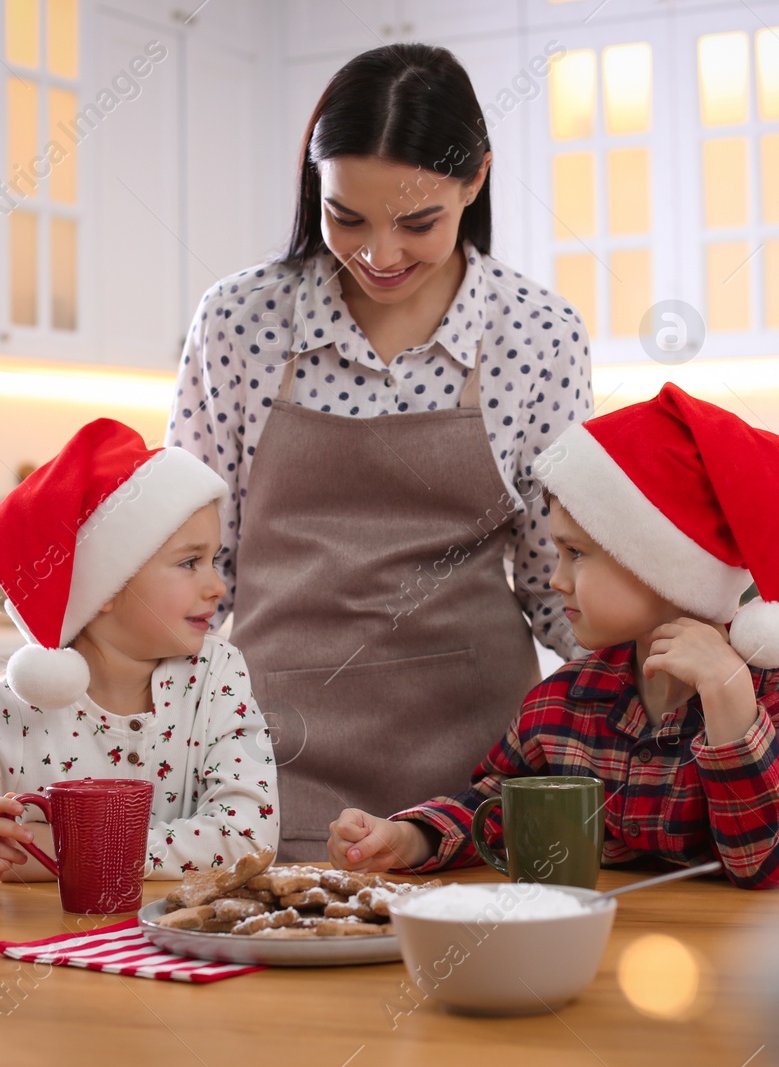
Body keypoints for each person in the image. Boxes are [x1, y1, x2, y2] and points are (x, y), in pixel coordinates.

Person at [167, 43, 592, 860]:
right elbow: (189, 566)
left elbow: (555, 588)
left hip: (478, 788)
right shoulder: (239, 321)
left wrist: (659, 692)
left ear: (476, 181)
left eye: (418, 222)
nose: (380, 254)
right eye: (346, 217)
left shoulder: (538, 336)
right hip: (262, 771)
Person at [326, 384, 779, 889]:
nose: (556, 579)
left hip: (741, 967)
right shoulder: (561, 701)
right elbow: (496, 808)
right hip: (595, 956)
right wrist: (410, 838)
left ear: (657, 564)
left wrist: (730, 706)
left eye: (577, 553)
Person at [0, 419, 279, 902]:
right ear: (108, 587)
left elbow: (248, 837)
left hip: (183, 956)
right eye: (189, 562)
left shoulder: (218, 676)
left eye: (214, 559)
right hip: (43, 958)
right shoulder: (13, 708)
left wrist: (70, 852)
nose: (217, 586)